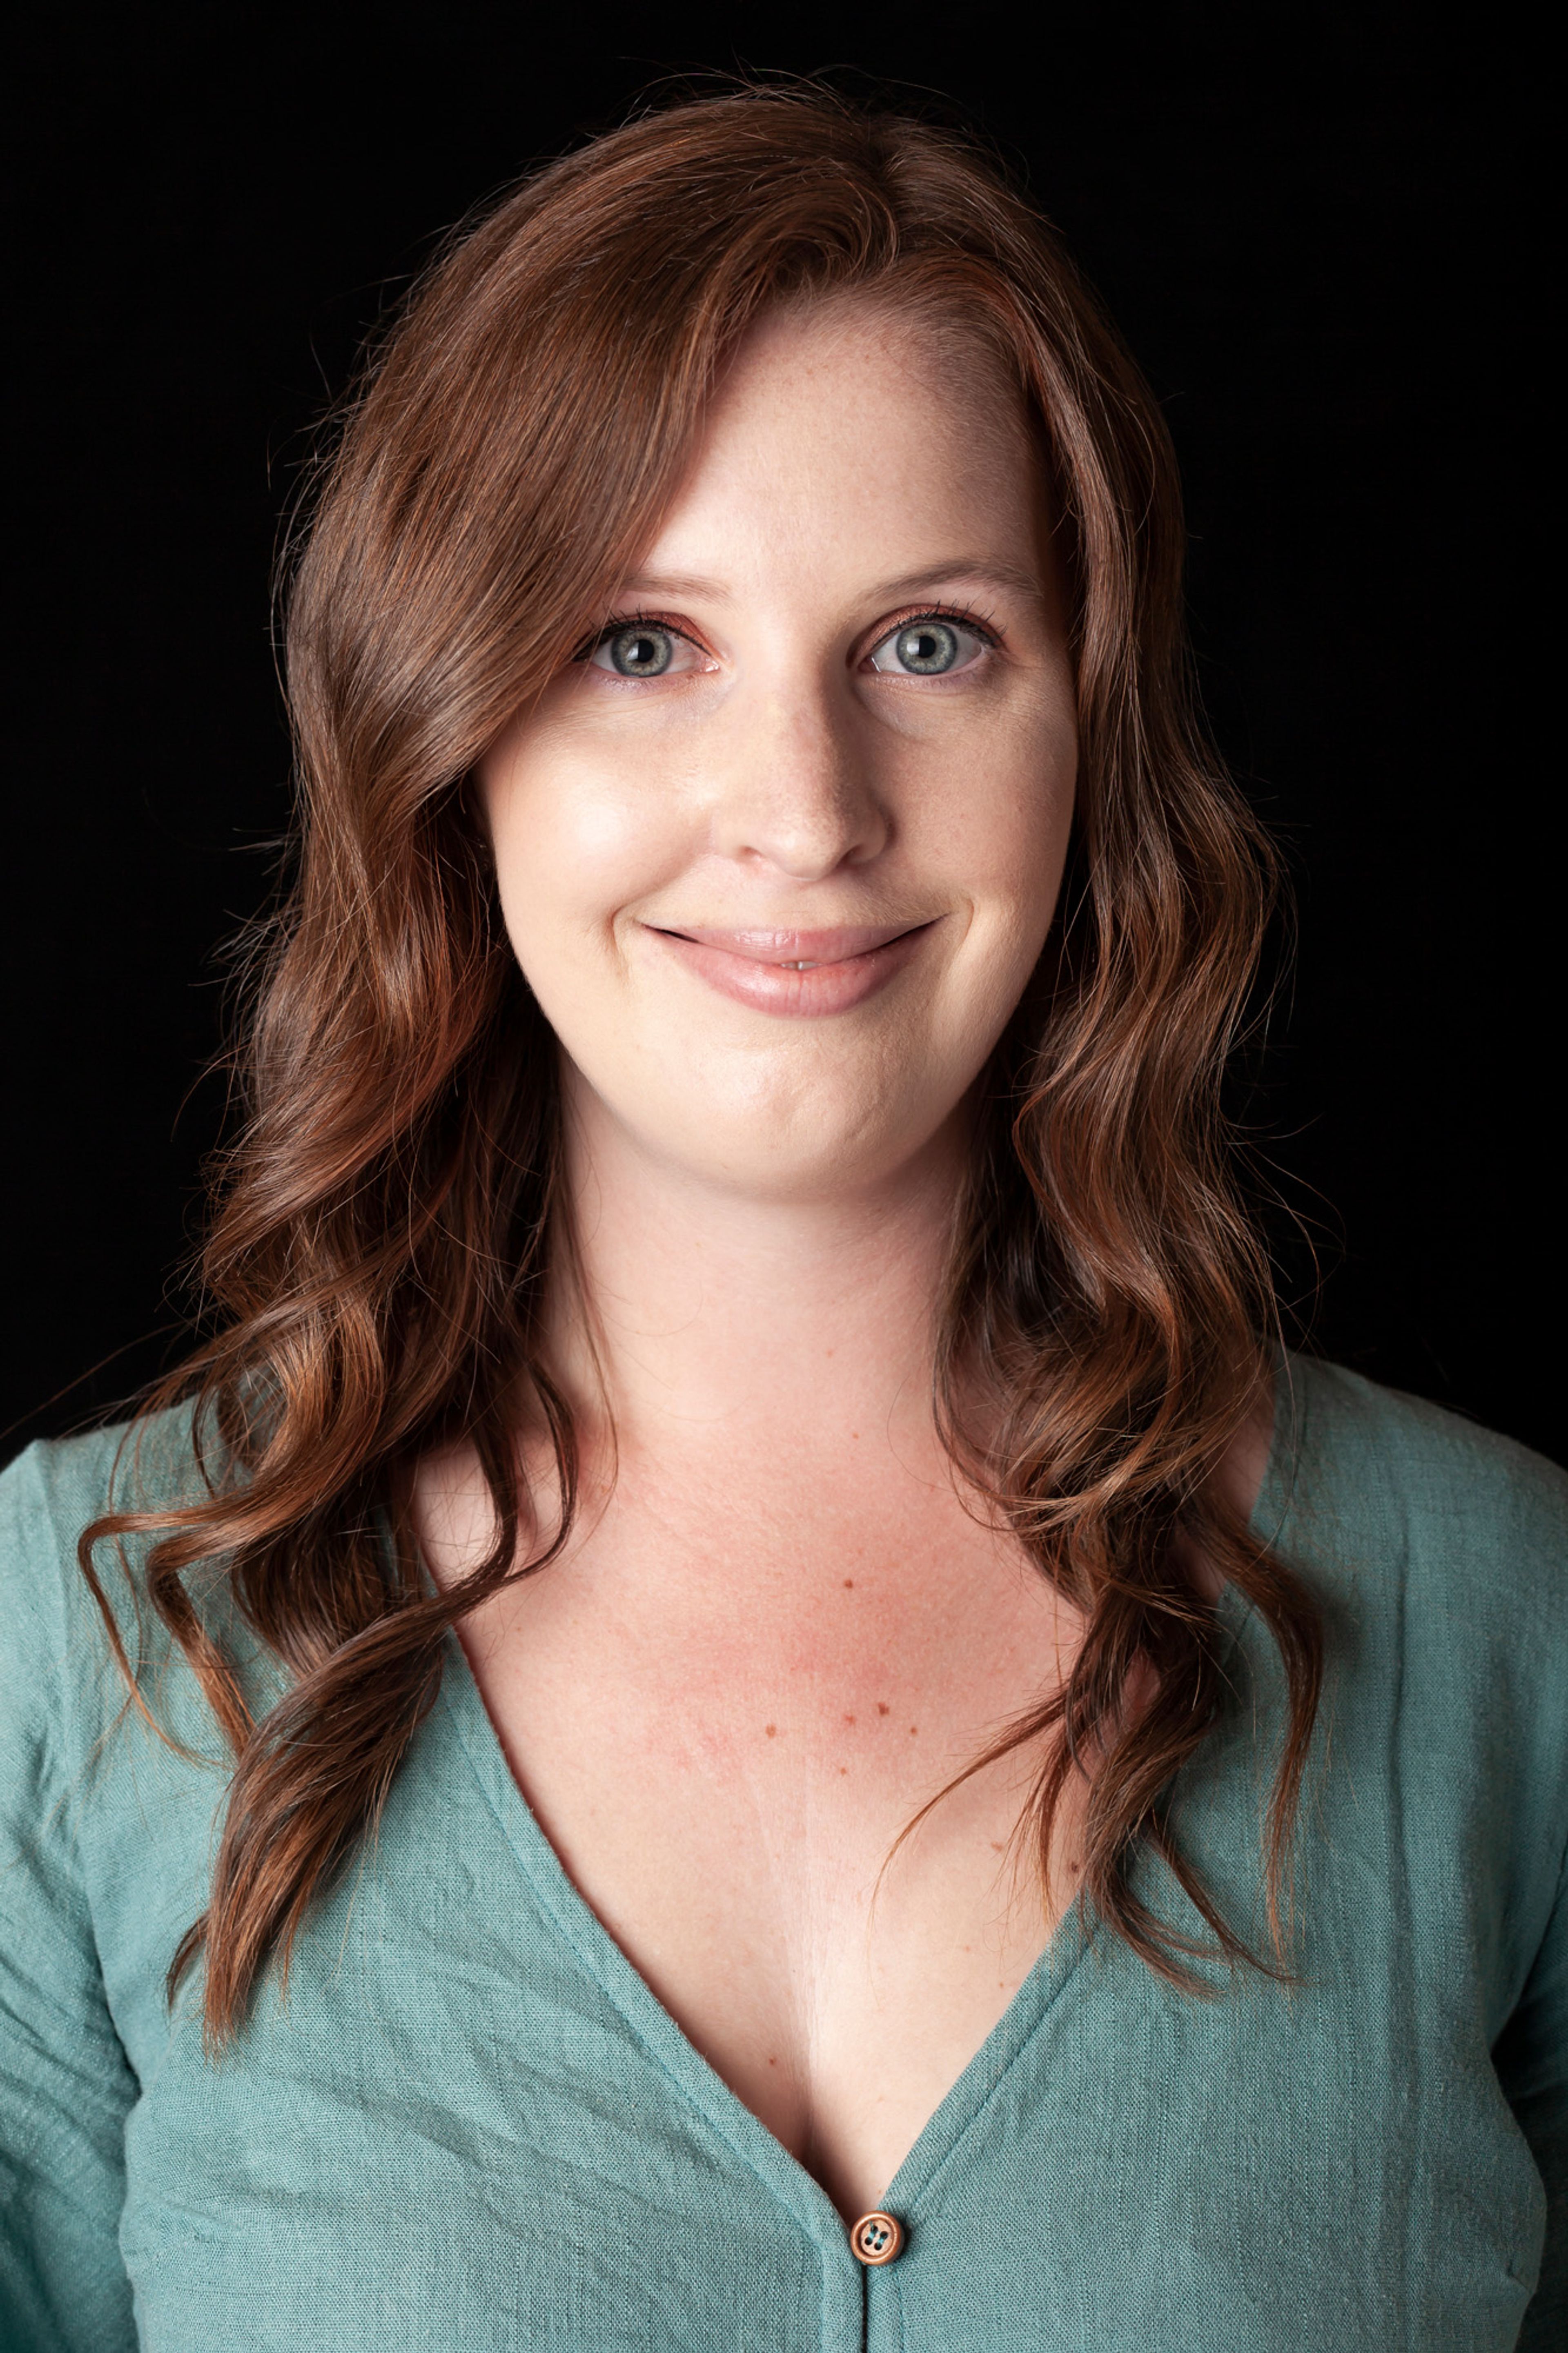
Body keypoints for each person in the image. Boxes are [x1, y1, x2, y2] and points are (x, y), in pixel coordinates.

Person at [1, 84, 1562, 2353]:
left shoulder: (1510, 1624)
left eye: (927, 642)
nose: (805, 809)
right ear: (456, 732)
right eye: (643, 643)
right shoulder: (87, 1647)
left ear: (1088, 732)